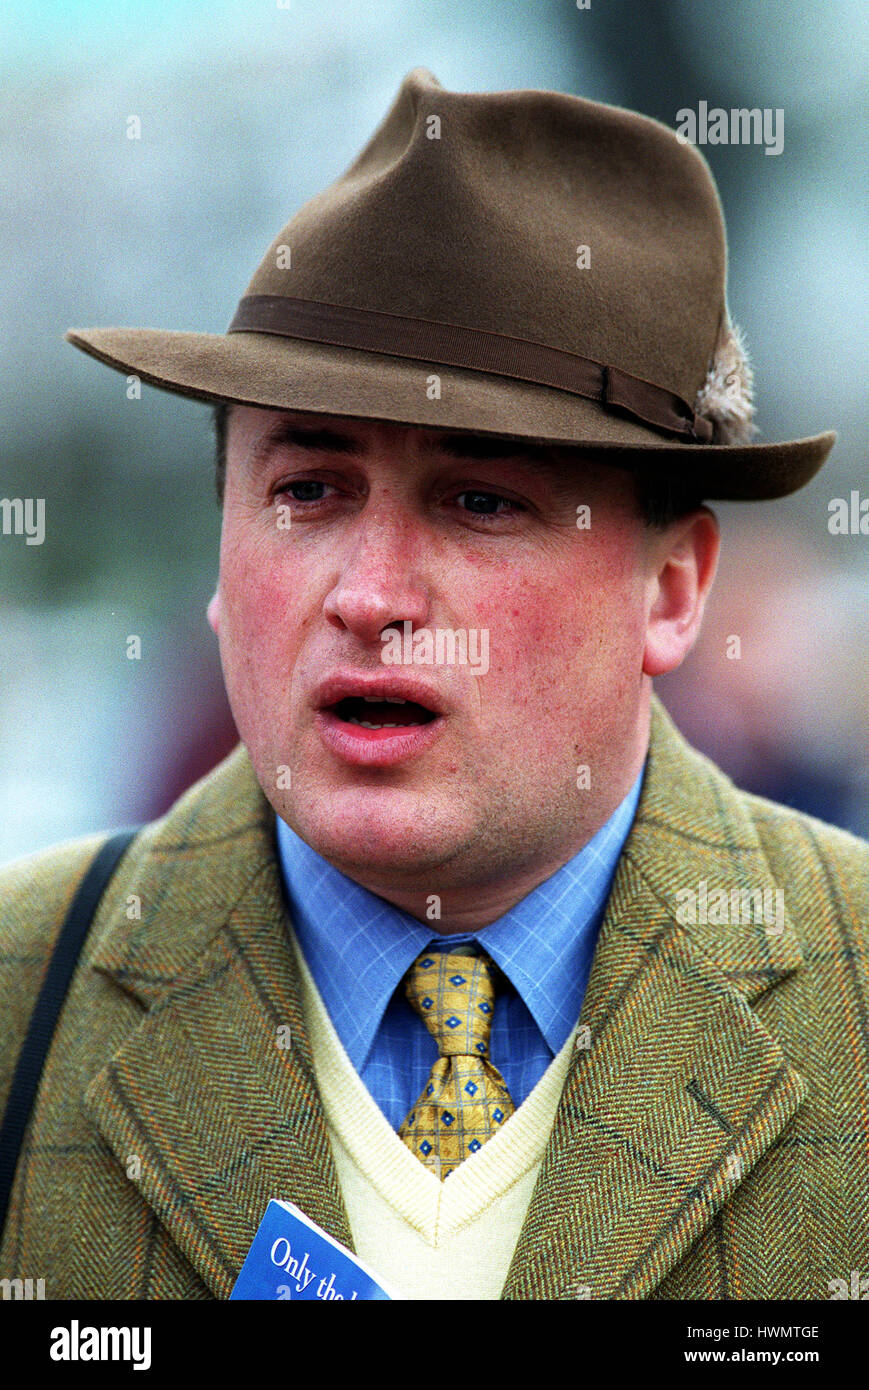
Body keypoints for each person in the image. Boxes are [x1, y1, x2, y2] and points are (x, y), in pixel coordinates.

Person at [1, 70, 866, 1302]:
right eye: (306, 491)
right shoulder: (20, 994)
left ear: (670, 592)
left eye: (480, 502)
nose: (369, 593)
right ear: (217, 552)